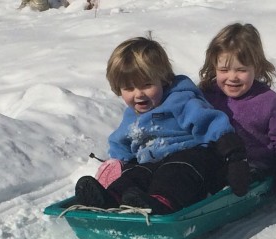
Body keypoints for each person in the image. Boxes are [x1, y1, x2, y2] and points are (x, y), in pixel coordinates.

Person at [74, 36, 251, 214]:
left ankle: (161, 203)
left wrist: (233, 154)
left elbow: (211, 122)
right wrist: (117, 163)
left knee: (174, 172)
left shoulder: (180, 100)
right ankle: (110, 198)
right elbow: (120, 141)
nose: (139, 94)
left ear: (163, 79)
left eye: (147, 85)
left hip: (193, 160)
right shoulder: (131, 115)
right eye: (129, 88)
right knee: (136, 175)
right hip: (152, 162)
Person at [199, 23, 276, 196]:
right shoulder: (206, 95)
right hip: (213, 161)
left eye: (241, 70)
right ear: (214, 67)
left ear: (257, 67)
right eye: (224, 70)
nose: (232, 77)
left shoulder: (268, 101)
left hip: (253, 166)